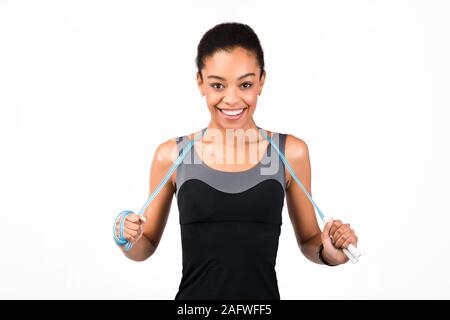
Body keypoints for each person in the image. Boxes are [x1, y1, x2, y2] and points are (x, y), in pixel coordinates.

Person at [114, 22, 359, 300]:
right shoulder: (172, 155)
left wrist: (329, 253)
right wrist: (126, 238)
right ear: (200, 83)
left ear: (261, 81)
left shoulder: (289, 153)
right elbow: (145, 246)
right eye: (217, 85)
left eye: (245, 84)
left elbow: (308, 240)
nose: (231, 99)